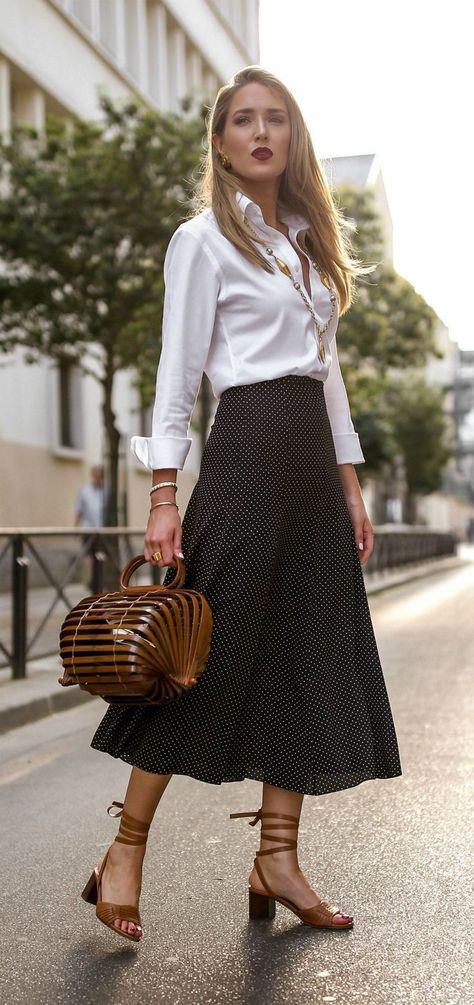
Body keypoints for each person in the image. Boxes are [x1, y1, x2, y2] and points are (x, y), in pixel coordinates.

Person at [87, 66, 402, 943]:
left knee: (304, 652)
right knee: (200, 655)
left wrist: (350, 483)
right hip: (250, 449)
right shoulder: (201, 240)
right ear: (221, 141)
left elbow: (328, 374)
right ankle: (125, 847)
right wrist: (163, 491)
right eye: (243, 121)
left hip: (310, 464)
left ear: (292, 138)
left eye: (276, 119)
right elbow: (177, 374)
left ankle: (277, 856)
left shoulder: (308, 241)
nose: (260, 132)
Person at [74, 465, 106, 589]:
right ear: (92, 476)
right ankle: (91, 580)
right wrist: (76, 527)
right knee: (89, 556)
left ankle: (100, 580)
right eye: (96, 476)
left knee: (102, 556)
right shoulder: (84, 490)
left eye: (100, 476)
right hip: (88, 529)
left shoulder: (106, 491)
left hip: (103, 531)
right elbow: (79, 510)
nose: (98, 478)